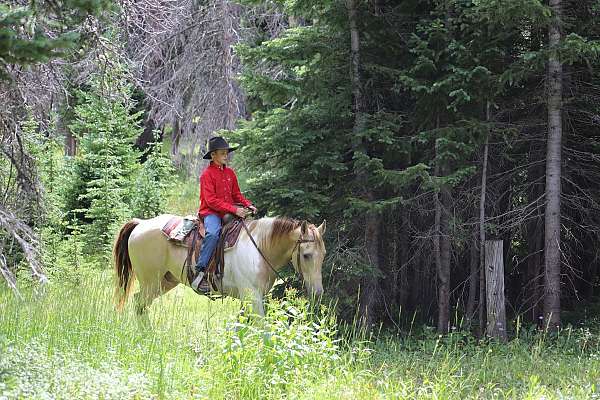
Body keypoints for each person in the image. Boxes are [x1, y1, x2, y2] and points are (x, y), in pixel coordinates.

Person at [191, 136, 257, 293]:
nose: (226, 156)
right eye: (222, 153)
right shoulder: (206, 175)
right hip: (211, 213)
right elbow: (211, 201)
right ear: (213, 155)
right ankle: (200, 271)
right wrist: (234, 210)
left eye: (226, 153)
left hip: (227, 212)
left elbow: (236, 195)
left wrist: (248, 204)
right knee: (213, 234)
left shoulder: (230, 173)